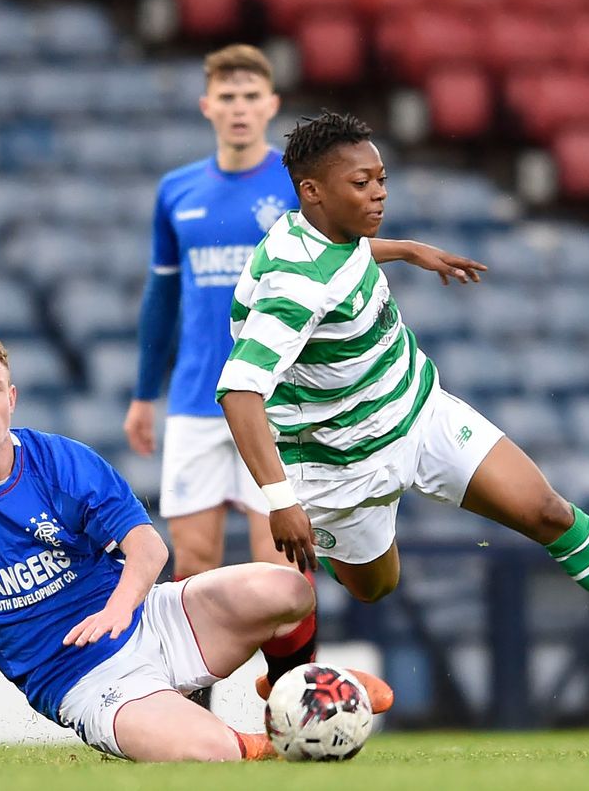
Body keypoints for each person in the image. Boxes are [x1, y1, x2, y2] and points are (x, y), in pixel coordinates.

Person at [216, 111, 589, 689]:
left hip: (419, 410)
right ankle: (282, 676)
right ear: (312, 192)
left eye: (381, 179)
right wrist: (279, 501)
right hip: (341, 463)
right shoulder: (293, 284)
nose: (378, 194)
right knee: (376, 587)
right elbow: (240, 392)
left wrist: (412, 250)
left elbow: (345, 258)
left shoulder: (328, 236)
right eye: (361, 184)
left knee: (547, 511)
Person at [125, 46, 481, 702]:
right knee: (195, 564)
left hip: (279, 407)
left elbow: (337, 252)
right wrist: (145, 392)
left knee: (279, 566)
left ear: (269, 105)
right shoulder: (177, 191)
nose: (237, 108)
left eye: (249, 96)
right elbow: (161, 296)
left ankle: (293, 698)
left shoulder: (293, 184)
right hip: (199, 399)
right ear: (208, 106)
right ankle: (189, 709)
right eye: (225, 97)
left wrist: (401, 249)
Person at [0, 329, 358, 765]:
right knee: (215, 752)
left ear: (11, 397)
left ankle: (292, 692)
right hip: (83, 680)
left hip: (148, 618)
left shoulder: (62, 461)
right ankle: (289, 738)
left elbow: (148, 548)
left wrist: (120, 608)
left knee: (286, 591)